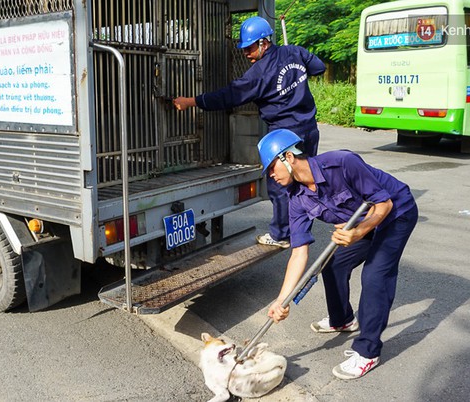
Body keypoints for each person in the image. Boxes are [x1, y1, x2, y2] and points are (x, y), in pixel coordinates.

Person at [258, 129, 418, 380]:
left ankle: (368, 351)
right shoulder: (297, 198)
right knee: (332, 266)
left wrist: (359, 231)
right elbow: (299, 252)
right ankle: (342, 319)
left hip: (396, 213)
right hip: (360, 223)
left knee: (375, 275)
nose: (270, 175)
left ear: (288, 157)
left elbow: (384, 204)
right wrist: (281, 300)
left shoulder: (342, 163)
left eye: (270, 167)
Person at [173, 16, 326, 249]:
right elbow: (319, 67)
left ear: (264, 42)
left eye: (250, 47)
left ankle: (283, 234)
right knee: (305, 179)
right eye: (244, 48)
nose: (246, 53)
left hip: (284, 136)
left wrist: (191, 101)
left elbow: (227, 96)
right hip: (309, 129)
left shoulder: (258, 74)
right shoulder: (295, 51)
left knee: (280, 186)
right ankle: (302, 230)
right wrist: (295, 75)